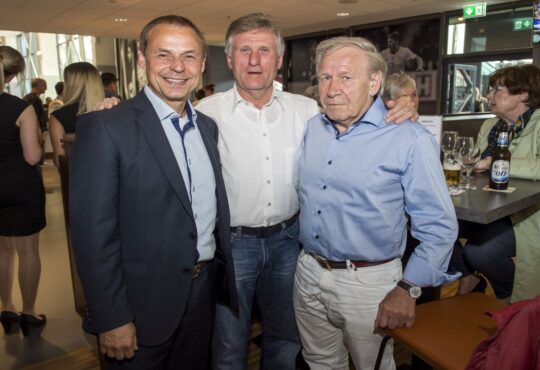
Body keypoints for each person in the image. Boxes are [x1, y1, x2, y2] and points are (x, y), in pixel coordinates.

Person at [196, 13, 419, 370]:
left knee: (287, 340)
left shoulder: (309, 112)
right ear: (228, 59)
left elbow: (358, 114)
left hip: (290, 245)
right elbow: (161, 137)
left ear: (280, 59)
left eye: (265, 50)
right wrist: (111, 108)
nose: (254, 61)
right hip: (232, 246)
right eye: (245, 51)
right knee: (227, 344)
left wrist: (399, 106)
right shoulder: (203, 115)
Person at [69, 15, 238, 369]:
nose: (178, 66)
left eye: (189, 56)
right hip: (138, 308)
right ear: (142, 59)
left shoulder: (206, 127)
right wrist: (111, 317)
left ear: (203, 64)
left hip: (201, 296)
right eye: (164, 55)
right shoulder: (106, 127)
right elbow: (92, 236)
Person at [293, 36, 458, 370]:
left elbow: (439, 227)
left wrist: (409, 289)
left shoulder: (408, 137)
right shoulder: (314, 127)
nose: (332, 88)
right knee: (319, 362)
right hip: (309, 271)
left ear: (374, 82)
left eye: (345, 77)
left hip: (368, 284)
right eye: (326, 77)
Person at [450, 64, 540, 304]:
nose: (488, 96)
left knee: (481, 252)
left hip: (526, 214)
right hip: (487, 207)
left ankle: (512, 299)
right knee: (430, 224)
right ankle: (468, 276)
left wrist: (493, 162)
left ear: (523, 94)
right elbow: (474, 162)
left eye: (496, 89)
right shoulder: (491, 126)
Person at [0, 46, 47, 337]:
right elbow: (31, 156)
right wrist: (41, 143)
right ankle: (28, 313)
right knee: (28, 251)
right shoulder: (21, 108)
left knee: (3, 251)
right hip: (20, 186)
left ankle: (6, 307)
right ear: (15, 74)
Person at [49, 62, 104, 167]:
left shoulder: (59, 116)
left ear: (70, 85)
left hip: (79, 177)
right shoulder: (111, 109)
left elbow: (60, 159)